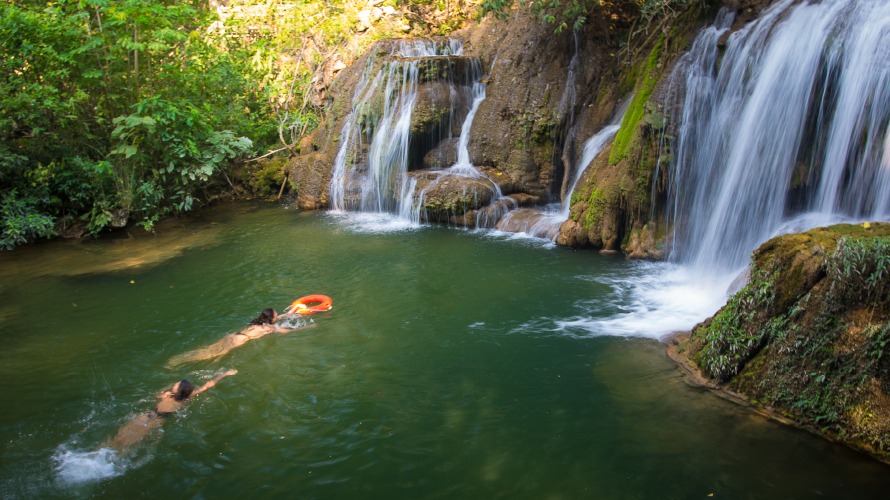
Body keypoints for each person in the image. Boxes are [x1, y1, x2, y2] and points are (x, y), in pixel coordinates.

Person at [102, 370, 237, 454]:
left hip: (148, 417)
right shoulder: (188, 397)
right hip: (158, 421)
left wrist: (162, 392)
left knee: (120, 437)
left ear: (178, 390)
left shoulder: (167, 395)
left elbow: (155, 395)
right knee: (128, 442)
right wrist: (224, 374)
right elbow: (208, 385)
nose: (174, 384)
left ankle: (101, 453)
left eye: (176, 384)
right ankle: (110, 456)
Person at [166, 308, 312, 367]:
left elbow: (280, 317)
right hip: (239, 341)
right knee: (211, 355)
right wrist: (308, 327)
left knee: (209, 350)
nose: (277, 314)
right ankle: (178, 362)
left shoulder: (259, 321)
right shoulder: (270, 327)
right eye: (276, 313)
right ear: (271, 319)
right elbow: (286, 331)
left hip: (233, 335)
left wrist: (293, 310)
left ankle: (181, 358)